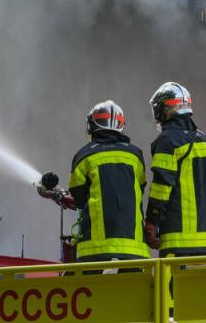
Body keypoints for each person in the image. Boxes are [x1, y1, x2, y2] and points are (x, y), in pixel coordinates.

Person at [38, 100, 151, 264]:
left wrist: (55, 193)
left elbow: (78, 199)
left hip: (95, 252)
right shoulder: (136, 155)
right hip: (134, 251)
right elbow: (138, 190)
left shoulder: (83, 156)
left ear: (91, 126)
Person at [145, 82, 206, 257]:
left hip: (177, 241)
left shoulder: (167, 141)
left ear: (163, 109)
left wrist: (152, 222)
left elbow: (161, 187)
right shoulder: (205, 141)